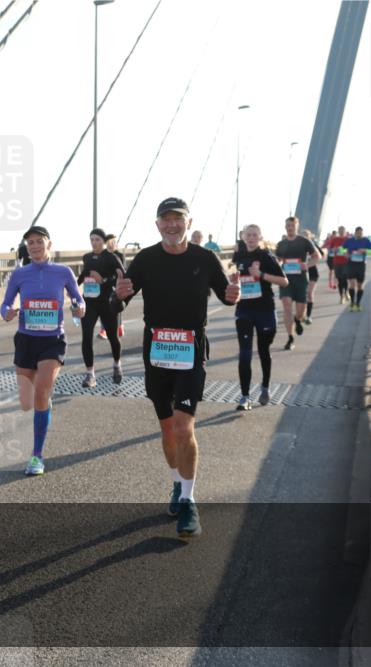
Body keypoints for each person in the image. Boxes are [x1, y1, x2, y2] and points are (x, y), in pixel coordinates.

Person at [112, 197, 240, 540]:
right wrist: (117, 295)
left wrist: (233, 294)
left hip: (191, 351)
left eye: (177, 219)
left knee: (184, 427)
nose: (172, 225)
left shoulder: (205, 258)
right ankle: (176, 483)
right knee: (168, 428)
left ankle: (188, 500)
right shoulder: (146, 259)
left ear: (188, 222)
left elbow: (226, 295)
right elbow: (119, 301)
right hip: (157, 352)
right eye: (165, 220)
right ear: (157, 225)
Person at [0, 225, 83, 476]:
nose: (34, 246)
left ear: (49, 244)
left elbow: (79, 299)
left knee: (41, 393)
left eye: (39, 241)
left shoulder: (63, 272)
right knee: (27, 401)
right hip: (26, 339)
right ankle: (43, 407)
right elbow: (5, 304)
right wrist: (8, 312)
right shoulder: (19, 274)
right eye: (30, 242)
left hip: (52, 340)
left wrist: (79, 308)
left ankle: (37, 455)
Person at [231, 224, 288, 410]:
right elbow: (239, 278)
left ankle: (265, 387)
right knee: (245, 354)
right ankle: (245, 397)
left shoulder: (266, 256)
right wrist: (234, 281)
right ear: (244, 236)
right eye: (248, 235)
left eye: (255, 235)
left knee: (264, 350)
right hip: (244, 310)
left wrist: (261, 274)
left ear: (260, 237)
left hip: (265, 310)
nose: (251, 238)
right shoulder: (239, 255)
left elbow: (284, 281)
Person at [77, 228, 124, 386]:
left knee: (113, 337)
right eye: (92, 239)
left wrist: (103, 280)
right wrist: (72, 287)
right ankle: (90, 374)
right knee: (86, 337)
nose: (94, 242)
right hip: (89, 302)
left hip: (107, 303)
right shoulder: (87, 257)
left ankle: (117, 364)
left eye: (97, 239)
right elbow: (84, 274)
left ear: (104, 241)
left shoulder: (112, 257)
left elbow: (122, 276)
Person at [274, 216, 321, 351]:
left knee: (300, 311)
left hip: (301, 280)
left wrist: (307, 265)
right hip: (286, 280)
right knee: (287, 306)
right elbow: (278, 259)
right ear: (285, 227)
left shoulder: (304, 241)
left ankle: (298, 319)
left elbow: (317, 256)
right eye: (288, 225)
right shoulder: (281, 244)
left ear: (297, 227)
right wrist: (278, 264)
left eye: (292, 226)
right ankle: (290, 338)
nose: (290, 228)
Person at [99, 234, 126, 340]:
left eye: (113, 242)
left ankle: (119, 326)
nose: (111, 245)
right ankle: (103, 330)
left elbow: (122, 272)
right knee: (103, 308)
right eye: (109, 243)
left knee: (116, 307)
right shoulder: (102, 255)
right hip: (104, 285)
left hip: (116, 285)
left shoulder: (119, 255)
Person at [343, 226, 371, 312]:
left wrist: (365, 250)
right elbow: (341, 249)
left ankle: (358, 303)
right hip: (351, 264)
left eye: (361, 233)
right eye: (358, 233)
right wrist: (345, 253)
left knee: (360, 286)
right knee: (352, 284)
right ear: (355, 233)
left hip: (361, 265)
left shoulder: (366, 240)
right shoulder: (350, 240)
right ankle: (352, 303)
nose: (359, 234)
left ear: (363, 233)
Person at [324, 225, 350, 303]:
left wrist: (346, 251)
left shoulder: (348, 239)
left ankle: (346, 292)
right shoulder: (334, 239)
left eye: (342, 230)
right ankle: (341, 296)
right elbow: (330, 249)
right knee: (339, 279)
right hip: (337, 262)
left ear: (345, 231)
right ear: (338, 231)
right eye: (340, 230)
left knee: (345, 278)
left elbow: (352, 249)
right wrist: (333, 249)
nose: (341, 231)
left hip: (346, 262)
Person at [302, 229, 320, 324]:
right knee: (303, 294)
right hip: (302, 273)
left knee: (309, 293)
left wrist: (311, 259)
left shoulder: (313, 246)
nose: (304, 237)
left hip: (312, 272)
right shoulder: (298, 247)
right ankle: (303, 314)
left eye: (306, 235)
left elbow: (321, 254)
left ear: (309, 237)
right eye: (303, 235)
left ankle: (308, 316)